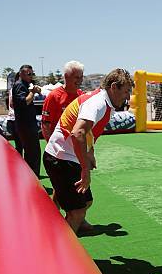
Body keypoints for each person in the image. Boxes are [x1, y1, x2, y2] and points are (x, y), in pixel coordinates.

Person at [43, 68, 133, 233]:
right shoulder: (98, 103)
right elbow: (78, 132)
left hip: (66, 156)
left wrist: (90, 152)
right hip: (61, 158)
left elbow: (88, 132)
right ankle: (58, 249)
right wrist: (85, 169)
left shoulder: (104, 102)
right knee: (77, 212)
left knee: (85, 202)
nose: (128, 96)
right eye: (126, 91)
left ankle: (65, 225)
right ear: (114, 87)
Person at [41, 60, 84, 141]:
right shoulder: (53, 96)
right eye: (76, 77)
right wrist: (52, 145)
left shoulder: (82, 96)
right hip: (59, 144)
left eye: (81, 77)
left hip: (77, 144)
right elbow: (45, 124)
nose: (80, 80)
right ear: (66, 76)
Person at [12, 65, 42, 178]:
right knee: (32, 154)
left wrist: (34, 90)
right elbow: (24, 102)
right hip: (26, 125)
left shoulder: (24, 85)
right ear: (21, 74)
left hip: (27, 124)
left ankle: (30, 178)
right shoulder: (19, 85)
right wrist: (32, 92)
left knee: (32, 153)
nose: (30, 75)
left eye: (31, 73)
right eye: (28, 73)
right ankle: (32, 179)